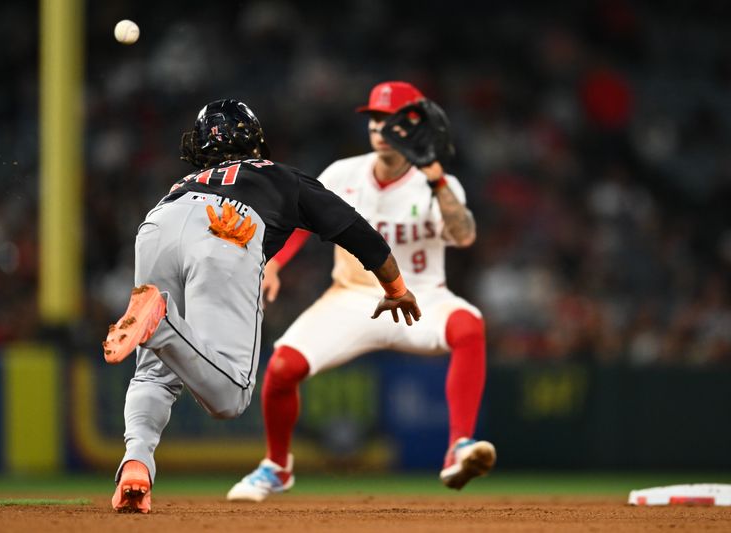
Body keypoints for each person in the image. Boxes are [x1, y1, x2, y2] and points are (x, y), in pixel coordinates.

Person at [102, 98, 422, 513]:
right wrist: (395, 287)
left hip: (159, 221)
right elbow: (357, 231)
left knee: (154, 373)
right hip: (229, 225)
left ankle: (136, 466)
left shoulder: (185, 180)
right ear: (254, 141)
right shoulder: (278, 176)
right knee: (230, 396)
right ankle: (160, 324)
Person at [226, 82, 495, 503]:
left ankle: (458, 447)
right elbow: (301, 219)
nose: (377, 126)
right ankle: (277, 467)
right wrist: (275, 263)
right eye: (373, 117)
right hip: (352, 298)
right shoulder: (342, 173)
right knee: (281, 369)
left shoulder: (438, 183)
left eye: (389, 118)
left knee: (469, 326)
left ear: (414, 126)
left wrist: (437, 179)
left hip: (421, 298)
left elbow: (463, 236)